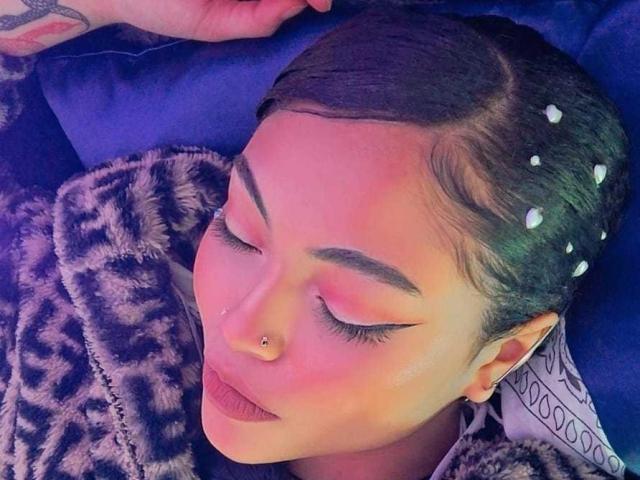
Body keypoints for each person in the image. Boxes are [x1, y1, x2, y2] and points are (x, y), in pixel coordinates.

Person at [0, 3, 632, 480]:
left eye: (346, 312)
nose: (241, 325)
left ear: (501, 355)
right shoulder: (75, 285)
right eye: (239, 230)